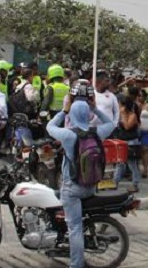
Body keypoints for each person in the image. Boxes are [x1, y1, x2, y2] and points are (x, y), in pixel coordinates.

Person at [46, 100, 115, 268]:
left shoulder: (68, 135)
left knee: (75, 228)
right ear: (88, 115)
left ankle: (76, 265)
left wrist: (63, 111)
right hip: (90, 186)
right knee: (76, 223)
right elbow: (111, 123)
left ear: (72, 115)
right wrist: (96, 109)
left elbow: (49, 126)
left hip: (72, 189)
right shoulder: (97, 133)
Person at [113, 94, 142, 193]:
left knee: (132, 164)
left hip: (131, 143)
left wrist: (123, 115)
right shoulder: (120, 114)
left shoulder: (132, 115)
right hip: (122, 142)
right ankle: (115, 182)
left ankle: (135, 184)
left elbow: (127, 127)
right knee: (120, 163)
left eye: (120, 104)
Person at [137, 89, 148, 179]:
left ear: (145, 97)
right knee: (138, 151)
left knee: (145, 150)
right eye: (138, 96)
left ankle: (145, 169)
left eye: (141, 96)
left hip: (146, 130)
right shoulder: (135, 105)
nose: (140, 97)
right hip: (137, 132)